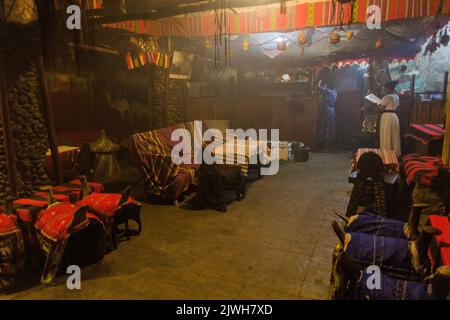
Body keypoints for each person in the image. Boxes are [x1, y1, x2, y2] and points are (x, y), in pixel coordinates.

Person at [378, 80, 401, 156]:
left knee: (386, 134)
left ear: (389, 88)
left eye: (385, 88)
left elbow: (381, 109)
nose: (384, 90)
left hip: (387, 116)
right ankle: (396, 153)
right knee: (394, 135)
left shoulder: (387, 97)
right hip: (394, 116)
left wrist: (377, 104)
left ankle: (386, 153)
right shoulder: (396, 96)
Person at [318, 80, 338, 151]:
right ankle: (328, 145)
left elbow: (320, 87)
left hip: (327, 110)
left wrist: (320, 83)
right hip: (332, 110)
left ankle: (326, 146)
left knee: (327, 127)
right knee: (330, 127)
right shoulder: (335, 92)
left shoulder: (328, 91)